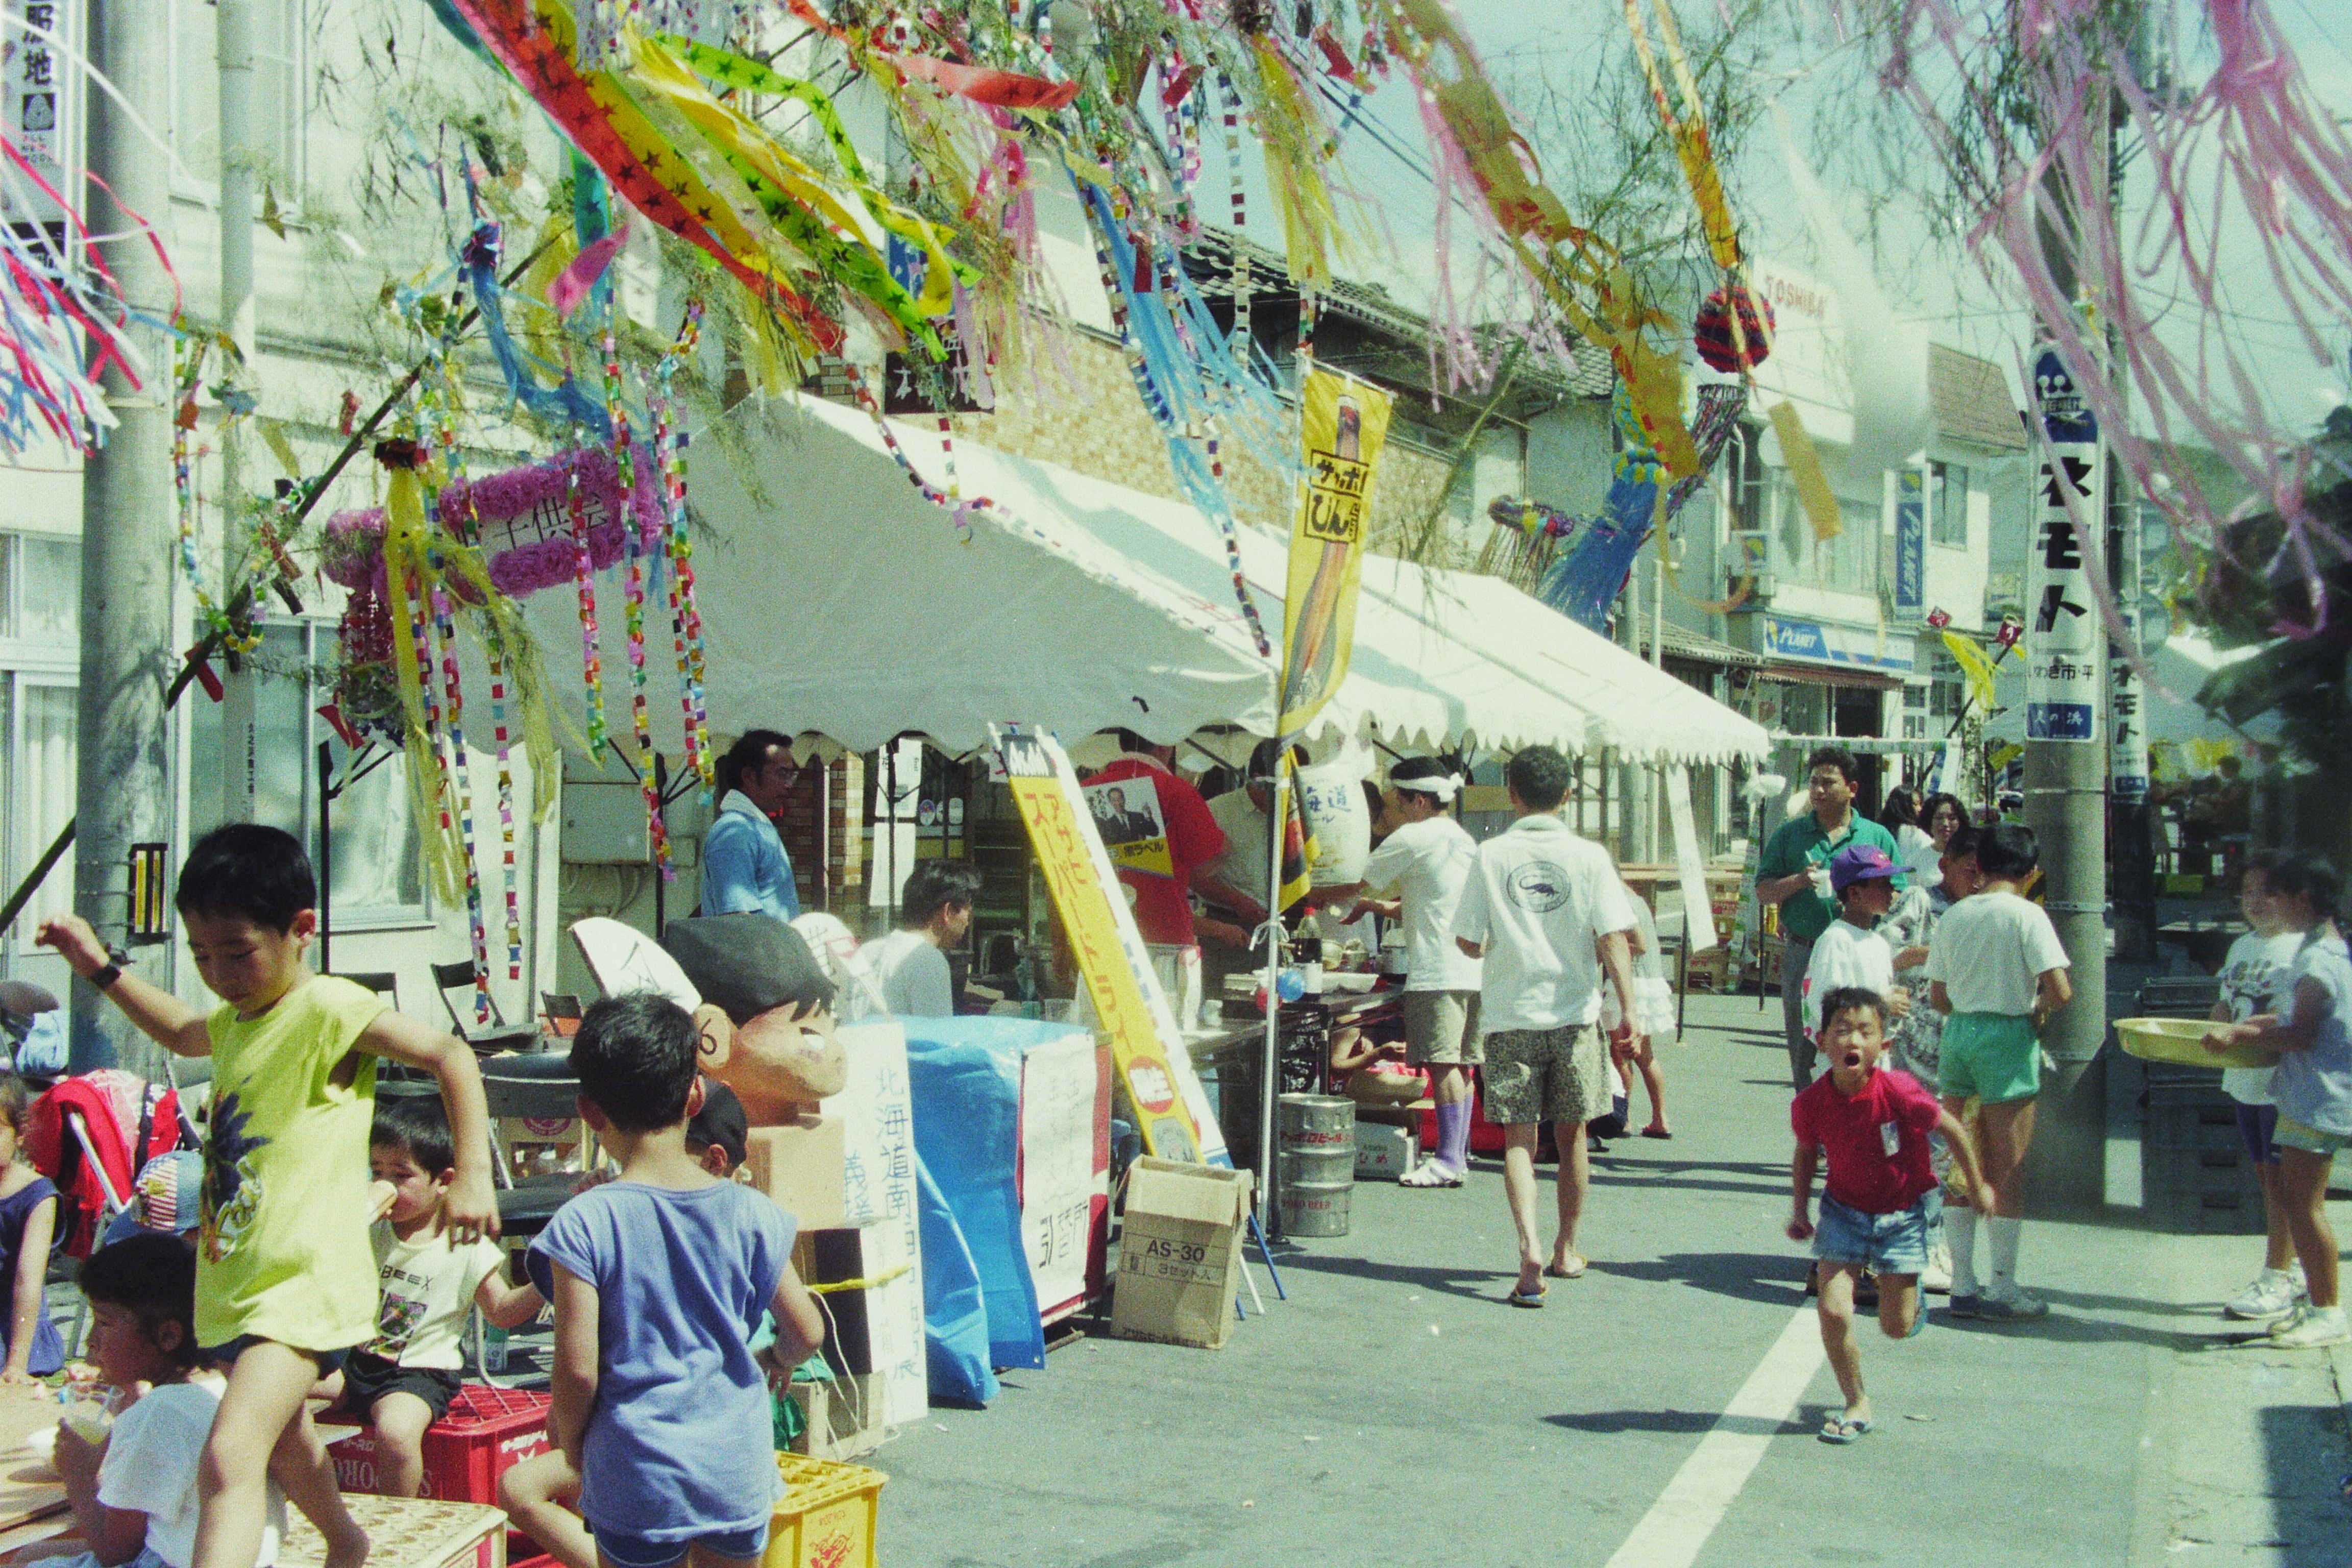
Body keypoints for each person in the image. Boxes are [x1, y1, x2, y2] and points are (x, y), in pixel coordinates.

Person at [36, 823, 499, 1568]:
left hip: (303, 1282)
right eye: (202, 956)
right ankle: (347, 1540)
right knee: (285, 1441)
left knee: (230, 1454)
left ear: (300, 930)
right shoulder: (233, 1022)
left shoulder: (326, 1010)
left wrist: (474, 1172)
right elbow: (185, 1029)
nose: (220, 973)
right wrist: (97, 968)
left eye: (238, 951)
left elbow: (449, 1053)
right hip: (239, 1279)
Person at [527, 993, 826, 1568]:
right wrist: (775, 1360)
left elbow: (577, 1368)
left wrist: (572, 1439)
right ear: (695, 1095)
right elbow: (806, 1332)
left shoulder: (584, 1221)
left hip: (636, 1470)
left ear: (590, 1112)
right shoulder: (752, 1212)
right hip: (733, 1468)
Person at [499, 1081, 754, 1568]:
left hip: (644, 1439)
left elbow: (580, 1369)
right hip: (721, 1455)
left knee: (520, 1486)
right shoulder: (749, 1221)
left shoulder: (711, 1226)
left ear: (714, 1161)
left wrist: (599, 1222)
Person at [1452, 746, 1642, 1307]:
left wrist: (1497, 940)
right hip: (1575, 1015)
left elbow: (1467, 938)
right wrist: (1628, 1009)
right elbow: (1614, 936)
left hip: (1511, 1014)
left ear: (1511, 793)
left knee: (1518, 1138)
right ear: (1568, 794)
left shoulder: (1490, 854)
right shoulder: (1589, 856)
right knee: (1573, 1134)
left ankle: (1528, 1247)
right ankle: (1566, 1247)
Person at [1787, 988, 1994, 1443]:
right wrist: (1800, 1210)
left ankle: (1909, 1290)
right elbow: (1806, 1153)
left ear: (1883, 1045)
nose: (1853, 1041)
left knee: (1894, 1328)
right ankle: (1855, 1401)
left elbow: (1953, 1128)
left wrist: (1976, 1186)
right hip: (1843, 1212)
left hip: (1902, 1215)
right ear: (1822, 1042)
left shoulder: (1899, 1092)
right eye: (1842, 1031)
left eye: (1865, 1031)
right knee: (1833, 1310)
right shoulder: (1811, 1104)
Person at [42, 1233, 286, 1568]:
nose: (91, 1340)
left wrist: (78, 1474)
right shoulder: (221, 1389)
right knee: (31, 1555)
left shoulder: (158, 1413)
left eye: (104, 1322)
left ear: (168, 1336)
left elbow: (115, 1552)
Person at [349, 1098, 546, 1497]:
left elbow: (502, 1312)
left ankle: (395, 1523)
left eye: (402, 1176)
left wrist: (548, 1280)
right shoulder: (368, 1229)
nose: (385, 1186)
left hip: (417, 1373)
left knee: (396, 1433)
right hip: (355, 1357)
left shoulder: (464, 1243)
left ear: (444, 1181)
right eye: (377, 1172)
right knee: (280, 1392)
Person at [1925, 821, 2072, 1321]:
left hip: (1959, 1037)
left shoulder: (1955, 915)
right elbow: (2060, 991)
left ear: (1979, 866)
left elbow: (1938, 996)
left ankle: (1962, 1282)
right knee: (2007, 1165)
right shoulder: (2028, 917)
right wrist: (2034, 1010)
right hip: (2008, 1038)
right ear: (2031, 872)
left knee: (1962, 1157)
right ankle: (2003, 1285)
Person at [2204, 853, 2352, 1349]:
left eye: (2279, 896)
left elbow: (2302, 1033)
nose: (2270, 905)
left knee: (2305, 1206)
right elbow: (2283, 1018)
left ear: (2302, 900)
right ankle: (2315, 1302)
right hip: (2306, 1095)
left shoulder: (2316, 958)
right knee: (2294, 1200)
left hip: (2317, 1097)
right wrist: (2244, 1028)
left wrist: (2241, 1039)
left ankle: (2329, 1310)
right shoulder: (2324, 951)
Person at [1346, 757, 1481, 1186]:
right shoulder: (1461, 838)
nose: (1393, 810)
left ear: (1418, 801)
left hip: (1439, 970)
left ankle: (1446, 1159)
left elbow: (1354, 880)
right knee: (1461, 1064)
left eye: (1398, 801)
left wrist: (1308, 891)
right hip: (1475, 970)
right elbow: (1430, 901)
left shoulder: (1414, 835)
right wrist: (1370, 907)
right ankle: (1458, 1153)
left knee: (1443, 1065)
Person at [1754, 746, 1903, 1092]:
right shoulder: (1790, 835)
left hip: (1859, 947)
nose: (1818, 791)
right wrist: (1800, 881)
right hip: (1804, 949)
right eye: (1814, 783)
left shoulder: (1876, 836)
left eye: (1828, 783)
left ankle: (1853, 1119)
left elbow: (1896, 893)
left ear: (1852, 788)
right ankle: (1814, 1127)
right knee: (1806, 1043)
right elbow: (1763, 891)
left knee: (1860, 1040)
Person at [2207, 853, 2313, 1322]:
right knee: (2267, 1180)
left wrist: (2242, 1030)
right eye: (2248, 892)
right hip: (2244, 1080)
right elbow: (2226, 1003)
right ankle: (2295, 1271)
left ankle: (2277, 1277)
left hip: (2284, 1084)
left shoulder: (2302, 950)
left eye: (2268, 891)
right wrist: (2219, 1021)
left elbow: (2296, 1020)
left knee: (2287, 1187)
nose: (2257, 902)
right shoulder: (2240, 948)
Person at [1877, 824, 1979, 1293]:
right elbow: (1882, 953)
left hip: (1962, 1048)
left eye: (1984, 872)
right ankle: (1911, 1245)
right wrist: (1932, 952)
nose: (1977, 880)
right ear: (1946, 866)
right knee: (1911, 1146)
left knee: (1946, 1151)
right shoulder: (1920, 902)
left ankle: (1930, 1243)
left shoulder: (1986, 913)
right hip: (1913, 1042)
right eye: (1967, 869)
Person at [1082, 729, 1249, 949]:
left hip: (1094, 936)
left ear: (1122, 746)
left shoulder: (1082, 791)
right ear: (1166, 745)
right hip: (1164, 937)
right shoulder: (1178, 792)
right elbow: (1214, 853)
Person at [1196, 742, 1290, 995]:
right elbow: (1195, 877)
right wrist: (1238, 902)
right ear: (1258, 780)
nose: (1284, 796)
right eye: (1278, 789)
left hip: (1278, 929)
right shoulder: (1217, 812)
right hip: (1228, 930)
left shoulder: (1291, 812)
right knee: (1227, 1008)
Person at [1799, 847, 1911, 1059]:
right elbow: (1826, 1006)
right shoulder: (1837, 939)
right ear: (1855, 893)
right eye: (1883, 884)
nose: (1892, 890)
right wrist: (1883, 1003)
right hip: (1844, 1063)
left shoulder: (1878, 941)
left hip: (1872, 1058)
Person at [0, 1073, 63, 1382]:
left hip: (12, 1324)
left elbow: (28, 1280)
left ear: (20, 1134)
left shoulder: (37, 1196)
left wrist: (16, 1364)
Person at [704, 730, 803, 924]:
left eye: (792, 775)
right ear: (749, 776)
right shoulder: (734, 832)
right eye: (782, 774)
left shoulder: (752, 827)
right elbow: (740, 923)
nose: (789, 785)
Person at [859, 862, 980, 1018]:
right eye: (967, 912)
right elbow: (935, 1036)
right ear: (948, 912)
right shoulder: (929, 960)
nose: (967, 922)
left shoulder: (866, 951)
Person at [1880, 787, 1938, 887]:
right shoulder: (1915, 834)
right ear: (1902, 806)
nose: (1920, 809)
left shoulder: (1880, 831)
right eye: (1915, 804)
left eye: (1920, 804)